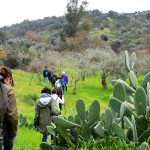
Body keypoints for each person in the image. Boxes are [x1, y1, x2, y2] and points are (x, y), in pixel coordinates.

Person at [0, 66, 18, 150]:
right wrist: (13, 134)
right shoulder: (8, 90)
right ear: (8, 78)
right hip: (4, 132)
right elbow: (12, 115)